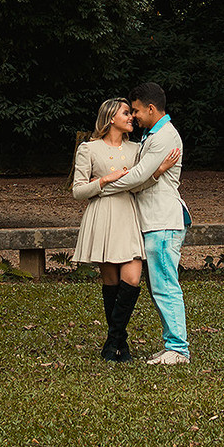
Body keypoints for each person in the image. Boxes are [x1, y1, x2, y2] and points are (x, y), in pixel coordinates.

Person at [71, 97, 179, 362]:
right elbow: (78, 191)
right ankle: (119, 346)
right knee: (110, 284)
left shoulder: (136, 149)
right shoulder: (88, 149)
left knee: (131, 279)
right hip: (103, 217)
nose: (132, 117)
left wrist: (158, 171)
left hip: (130, 216)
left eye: (132, 112)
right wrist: (104, 180)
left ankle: (113, 339)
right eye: (126, 113)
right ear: (111, 118)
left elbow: (138, 183)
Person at [100, 81, 189, 365]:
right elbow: (143, 177)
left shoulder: (164, 136)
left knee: (165, 286)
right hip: (153, 222)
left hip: (162, 221)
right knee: (159, 287)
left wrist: (102, 187)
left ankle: (178, 349)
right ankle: (172, 345)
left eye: (136, 110)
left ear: (151, 108)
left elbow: (138, 176)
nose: (134, 116)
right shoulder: (153, 135)